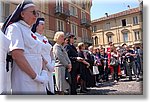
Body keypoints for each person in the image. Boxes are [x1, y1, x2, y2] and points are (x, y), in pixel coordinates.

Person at [2, 0, 49, 94]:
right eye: (33, 12)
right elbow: (17, 55)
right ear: (22, 14)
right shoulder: (15, 28)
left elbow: (40, 55)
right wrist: (35, 76)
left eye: (37, 13)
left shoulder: (32, 33)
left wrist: (43, 72)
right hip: (25, 78)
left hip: (38, 78)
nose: (36, 15)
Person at [31, 18, 55, 94]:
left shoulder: (45, 38)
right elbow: (37, 51)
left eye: (44, 24)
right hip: (41, 65)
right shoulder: (34, 36)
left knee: (50, 86)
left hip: (50, 66)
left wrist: (52, 62)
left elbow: (51, 51)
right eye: (41, 24)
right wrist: (47, 64)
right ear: (37, 26)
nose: (43, 26)